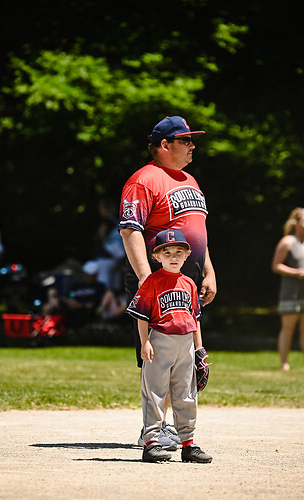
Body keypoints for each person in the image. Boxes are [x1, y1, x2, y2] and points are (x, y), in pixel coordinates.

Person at [119, 115, 217, 446]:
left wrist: (208, 269)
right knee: (158, 354)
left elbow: (196, 230)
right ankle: (156, 427)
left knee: (185, 355)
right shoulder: (144, 179)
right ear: (165, 144)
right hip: (158, 278)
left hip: (186, 280)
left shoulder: (190, 180)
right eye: (186, 140)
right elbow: (130, 230)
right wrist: (148, 279)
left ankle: (171, 427)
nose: (193, 146)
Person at [127, 229, 212, 463]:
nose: (173, 256)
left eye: (179, 252)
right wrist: (145, 342)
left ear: (187, 256)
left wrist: (199, 350)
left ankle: (188, 444)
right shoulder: (151, 282)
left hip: (185, 343)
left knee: (187, 393)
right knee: (155, 391)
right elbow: (142, 316)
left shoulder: (189, 284)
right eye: (167, 252)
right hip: (160, 339)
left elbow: (195, 318)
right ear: (157, 256)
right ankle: (151, 442)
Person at [271, 207, 304, 371]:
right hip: (290, 292)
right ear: (296, 222)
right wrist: (297, 272)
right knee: (288, 328)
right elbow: (276, 265)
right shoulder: (287, 242)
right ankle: (284, 363)